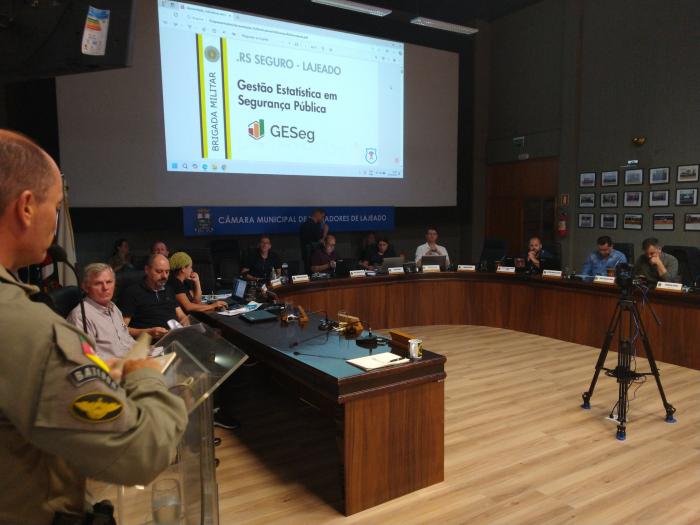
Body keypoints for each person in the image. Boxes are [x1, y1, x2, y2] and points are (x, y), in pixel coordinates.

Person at [0, 129, 187, 524]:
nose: (56, 220)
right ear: (26, 207)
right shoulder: (26, 327)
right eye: (56, 206)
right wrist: (143, 374)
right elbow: (143, 452)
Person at [67, 262, 136, 361]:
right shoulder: (80, 316)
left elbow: (126, 339)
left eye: (109, 282)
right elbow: (87, 358)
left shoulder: (113, 307)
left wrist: (147, 350)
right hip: (112, 368)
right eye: (98, 283)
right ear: (85, 287)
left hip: (133, 360)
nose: (105, 288)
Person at [119, 253, 189, 339]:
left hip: (174, 337)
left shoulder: (169, 289)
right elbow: (121, 329)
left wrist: (185, 321)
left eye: (167, 272)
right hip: (150, 342)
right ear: (147, 270)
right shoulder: (132, 292)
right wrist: (147, 332)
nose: (164, 276)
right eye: (159, 271)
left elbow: (181, 315)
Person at [299, 208, 327, 272]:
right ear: (317, 214)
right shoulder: (313, 226)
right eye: (322, 217)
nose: (323, 219)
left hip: (308, 256)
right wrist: (325, 231)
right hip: (313, 258)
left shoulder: (305, 224)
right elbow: (320, 241)